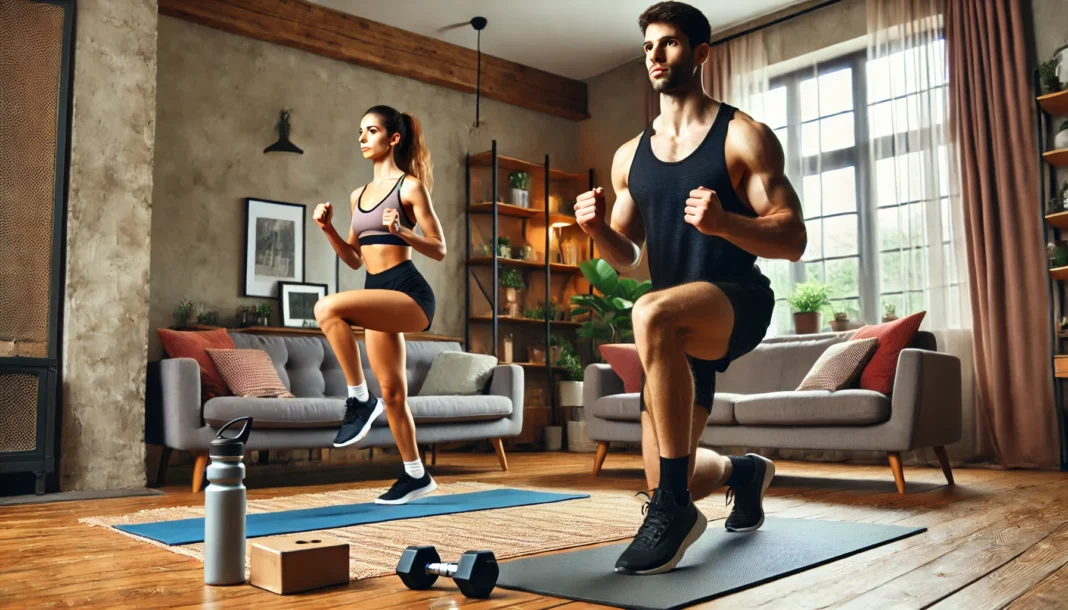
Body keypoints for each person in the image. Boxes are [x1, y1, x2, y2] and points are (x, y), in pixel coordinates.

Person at [574, 1, 807, 575]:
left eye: (671, 43)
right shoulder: (630, 156)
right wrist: (596, 228)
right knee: (665, 471)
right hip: (672, 332)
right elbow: (627, 255)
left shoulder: (742, 136)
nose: (656, 54)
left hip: (736, 301)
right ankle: (743, 473)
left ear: (700, 53)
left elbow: (792, 237)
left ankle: (673, 512)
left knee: (650, 311)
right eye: (649, 45)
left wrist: (726, 222)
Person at [313, 106, 447, 505]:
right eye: (360, 131)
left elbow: (439, 248)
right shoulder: (359, 195)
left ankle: (357, 398)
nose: (362, 137)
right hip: (378, 294)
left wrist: (402, 231)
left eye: (371, 131)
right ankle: (416, 475)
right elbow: (355, 259)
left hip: (408, 293)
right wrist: (329, 230)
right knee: (393, 394)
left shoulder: (410, 188)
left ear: (393, 139)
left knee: (327, 308)